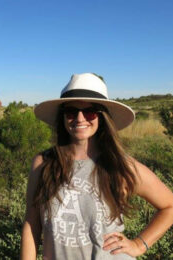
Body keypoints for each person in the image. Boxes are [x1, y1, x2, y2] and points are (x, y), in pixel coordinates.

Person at [20, 73, 173, 260]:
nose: (80, 118)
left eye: (90, 111)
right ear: (63, 116)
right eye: (71, 111)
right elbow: (31, 222)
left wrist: (139, 244)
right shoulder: (44, 163)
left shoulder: (119, 165)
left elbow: (169, 206)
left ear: (102, 117)